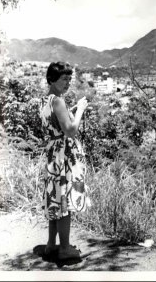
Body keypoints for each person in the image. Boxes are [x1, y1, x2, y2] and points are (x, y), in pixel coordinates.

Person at [40, 61, 90, 260]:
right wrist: (79, 111)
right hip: (63, 155)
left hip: (52, 154)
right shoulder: (59, 101)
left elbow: (56, 123)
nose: (68, 82)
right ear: (52, 78)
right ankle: (65, 249)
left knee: (55, 200)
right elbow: (70, 131)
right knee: (64, 203)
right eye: (64, 79)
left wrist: (71, 111)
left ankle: (52, 245)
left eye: (70, 78)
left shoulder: (46, 99)